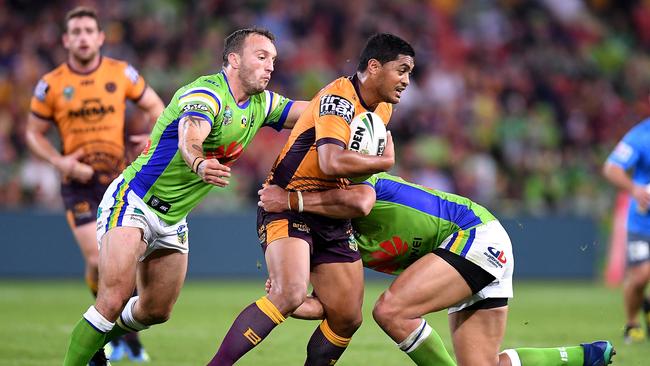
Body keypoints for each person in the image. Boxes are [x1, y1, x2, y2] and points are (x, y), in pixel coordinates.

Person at [61, 27, 308, 366]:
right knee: (114, 298)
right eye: (261, 57)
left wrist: (355, 104)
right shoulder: (206, 93)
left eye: (273, 60)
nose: (270, 66)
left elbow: (312, 114)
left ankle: (94, 344)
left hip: (173, 218)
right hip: (133, 201)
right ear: (234, 60)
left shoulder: (261, 104)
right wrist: (199, 161)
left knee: (156, 311)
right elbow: (190, 134)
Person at [258, 172, 616, 366]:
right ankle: (587, 355)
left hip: (474, 235)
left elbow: (361, 198)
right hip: (464, 256)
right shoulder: (331, 247)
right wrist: (288, 299)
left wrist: (292, 199)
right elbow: (330, 305)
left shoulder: (354, 190)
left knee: (391, 310)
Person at [208, 33, 415, 366]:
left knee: (347, 317)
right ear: (374, 67)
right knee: (289, 293)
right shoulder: (338, 98)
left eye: (410, 72)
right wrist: (383, 163)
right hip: (286, 201)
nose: (406, 80)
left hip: (332, 212)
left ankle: (282, 298)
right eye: (401, 70)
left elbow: (351, 170)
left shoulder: (384, 109)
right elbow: (330, 162)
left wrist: (359, 190)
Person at [25, 6, 165, 364]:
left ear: (100, 37)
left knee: (117, 265)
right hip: (79, 184)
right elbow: (33, 132)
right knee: (96, 258)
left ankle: (112, 333)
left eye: (89, 30)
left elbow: (156, 107)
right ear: (66, 40)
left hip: (121, 182)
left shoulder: (121, 74)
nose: (83, 36)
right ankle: (114, 334)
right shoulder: (51, 84)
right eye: (77, 31)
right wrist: (59, 161)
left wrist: (152, 136)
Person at [603, 119, 650, 344]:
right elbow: (611, 168)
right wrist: (634, 189)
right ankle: (632, 324)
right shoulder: (640, 135)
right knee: (641, 276)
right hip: (643, 221)